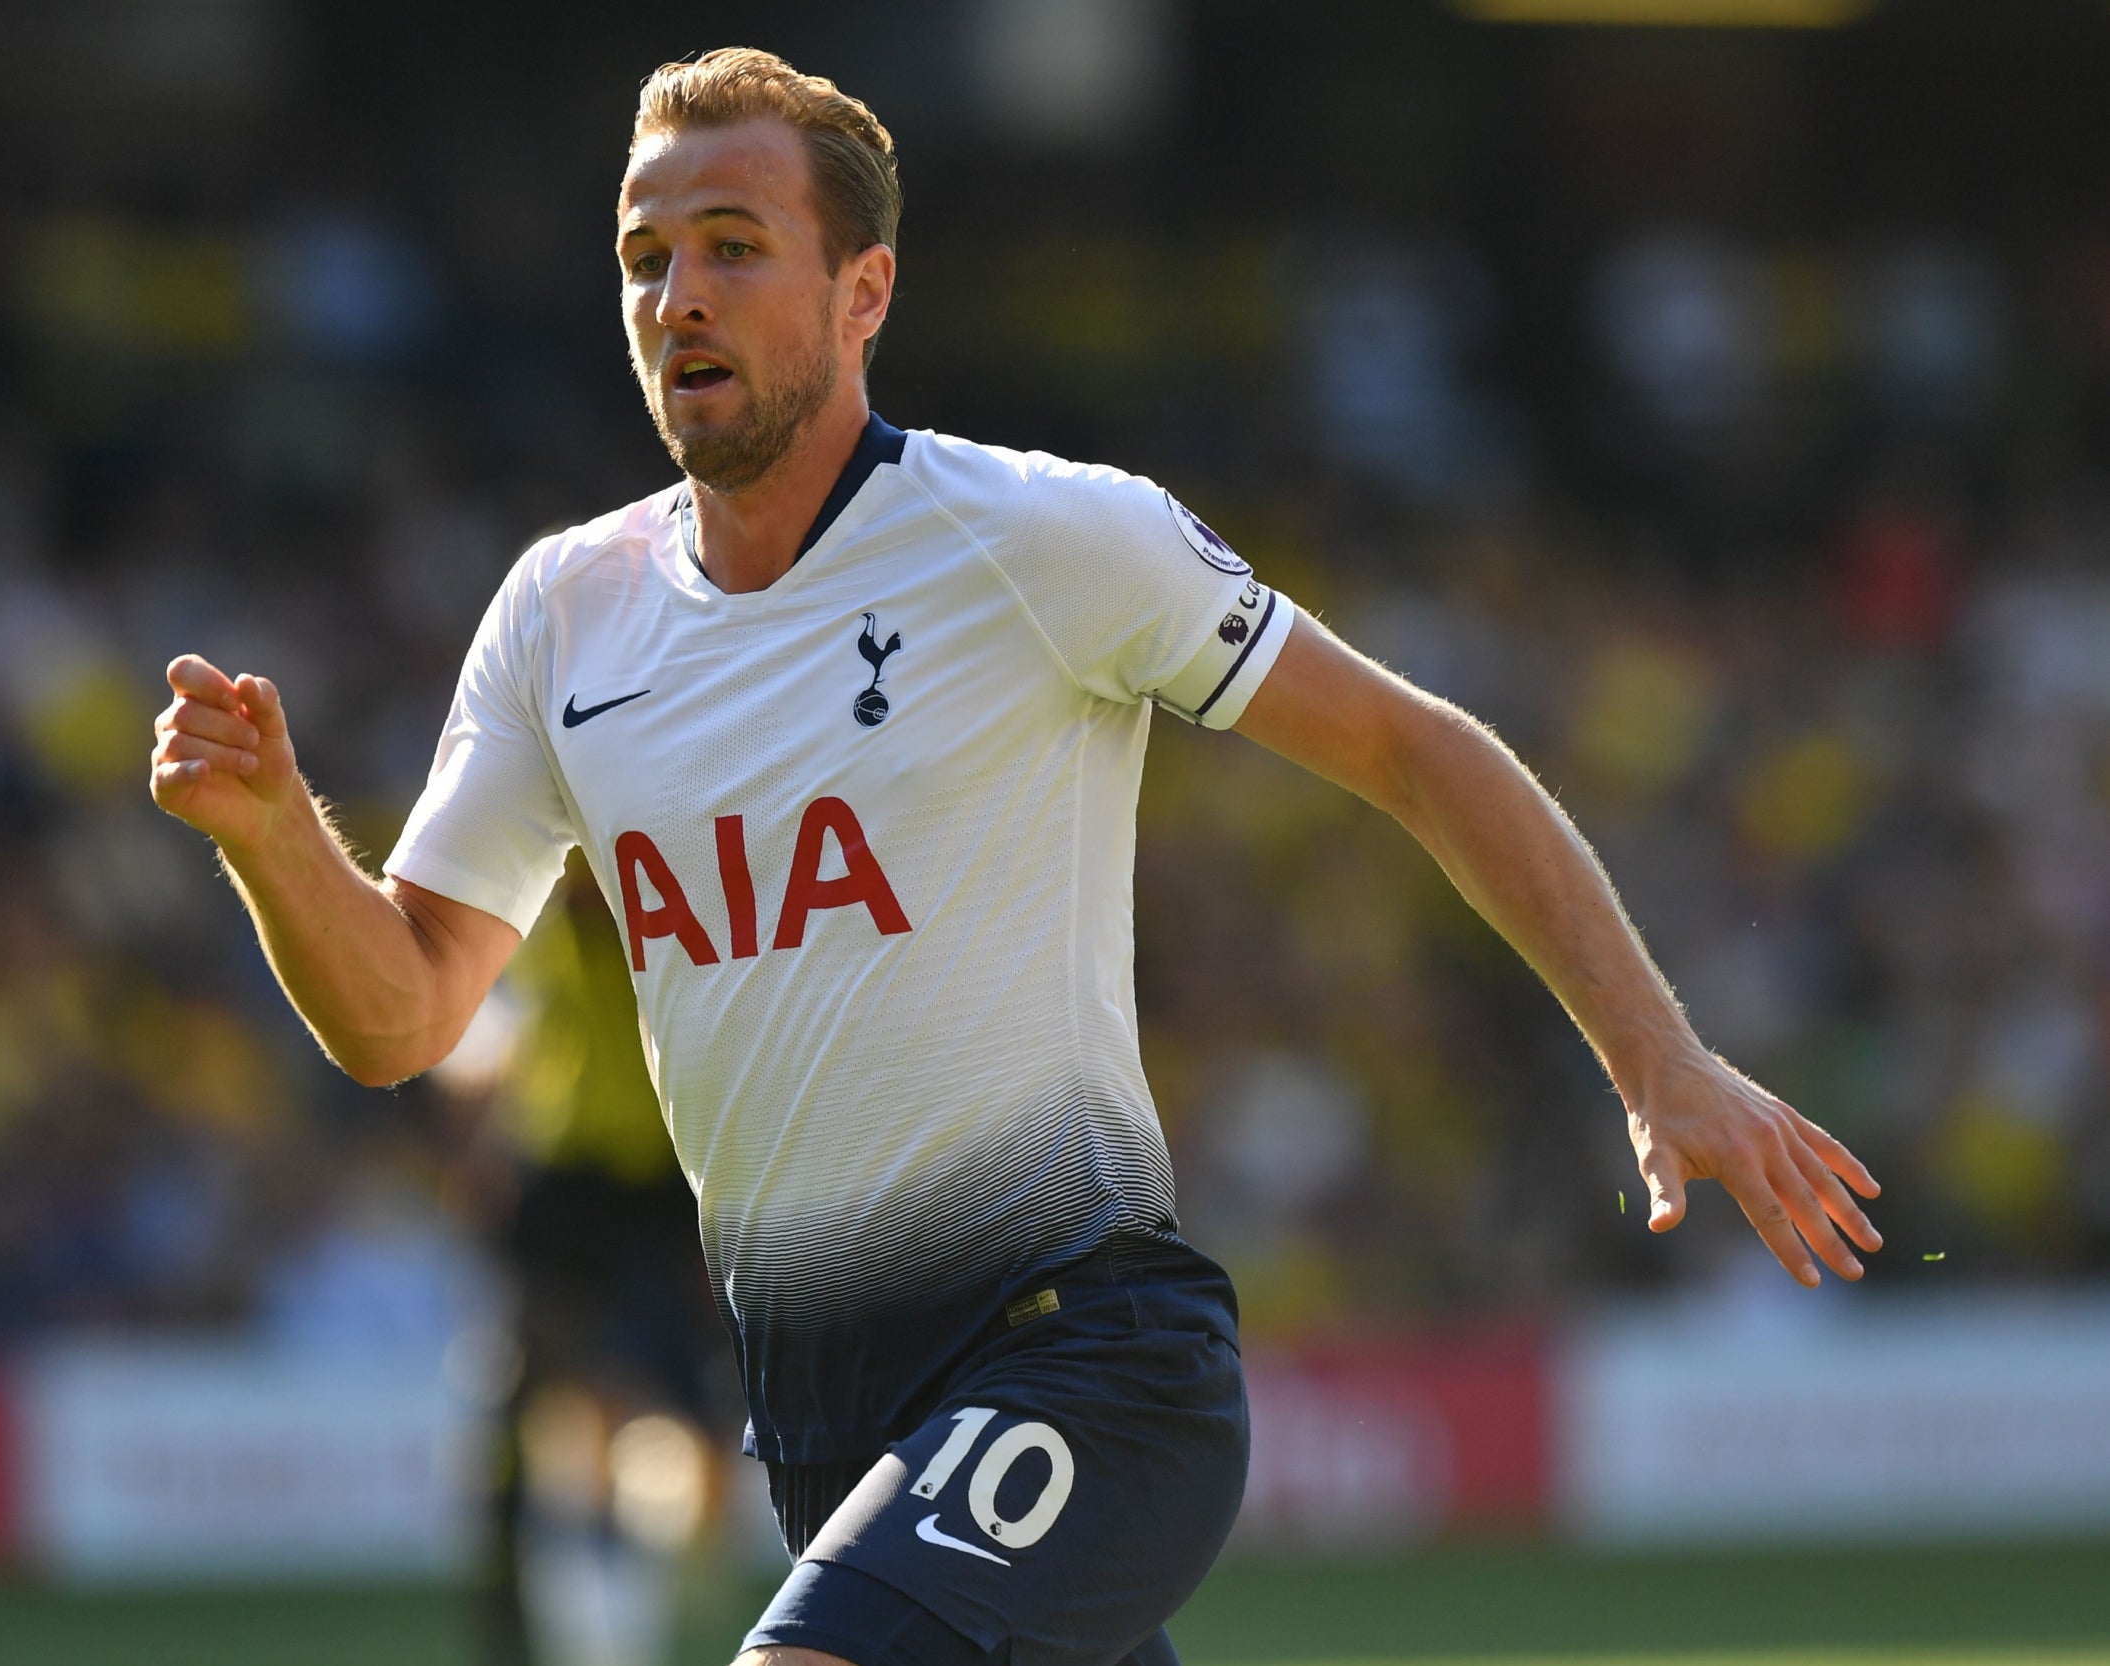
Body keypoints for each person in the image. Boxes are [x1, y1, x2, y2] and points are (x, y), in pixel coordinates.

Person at [148, 47, 1882, 1666]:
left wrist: (1660, 1059)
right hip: (829, 1422)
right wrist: (275, 838)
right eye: (643, 256)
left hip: (1090, 1358)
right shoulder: (559, 617)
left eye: (733, 246)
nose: (676, 296)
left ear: (864, 293)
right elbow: (399, 1017)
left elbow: (1416, 749)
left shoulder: (1039, 538)